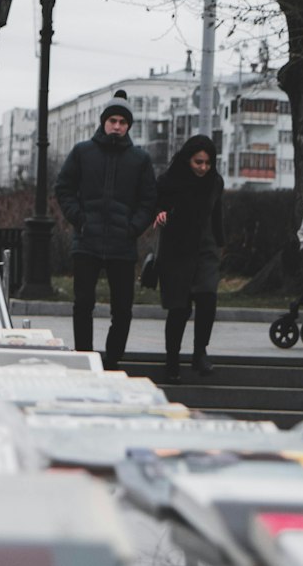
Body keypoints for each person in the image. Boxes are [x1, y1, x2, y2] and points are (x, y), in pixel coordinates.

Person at [54, 91, 156, 368]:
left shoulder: (139, 159)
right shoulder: (83, 152)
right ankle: (84, 356)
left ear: (128, 126)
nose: (117, 126)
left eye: (123, 121)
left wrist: (133, 228)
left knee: (122, 309)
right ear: (103, 122)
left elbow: (149, 201)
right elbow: (64, 188)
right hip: (87, 240)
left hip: (122, 244)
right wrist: (80, 218)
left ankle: (112, 360)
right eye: (112, 120)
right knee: (83, 303)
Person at [153, 134, 224, 380]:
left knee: (207, 299)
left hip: (205, 248)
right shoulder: (170, 180)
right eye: (198, 162)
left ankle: (199, 352)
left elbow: (217, 213)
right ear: (187, 160)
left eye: (207, 163)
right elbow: (157, 203)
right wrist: (160, 212)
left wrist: (220, 243)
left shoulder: (215, 182)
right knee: (179, 308)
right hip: (176, 250)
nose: (203, 167)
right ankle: (172, 360)